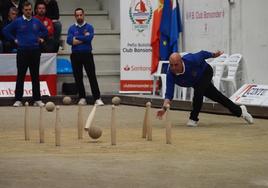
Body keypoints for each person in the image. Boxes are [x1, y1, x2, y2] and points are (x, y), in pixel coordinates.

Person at [156, 51, 254, 127]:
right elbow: (169, 94)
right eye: (171, 65)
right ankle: (240, 111)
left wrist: (213, 54)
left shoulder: (191, 60)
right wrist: (164, 108)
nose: (173, 68)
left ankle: (193, 118)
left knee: (198, 92)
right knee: (217, 97)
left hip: (206, 72)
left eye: (176, 65)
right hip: (195, 81)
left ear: (181, 61)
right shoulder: (170, 74)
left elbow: (202, 54)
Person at [3, 1, 48, 107]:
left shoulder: (36, 21)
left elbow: (46, 31)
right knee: (21, 76)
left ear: (32, 10)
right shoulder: (17, 21)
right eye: (26, 10)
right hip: (22, 51)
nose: (28, 12)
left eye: (30, 10)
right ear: (22, 10)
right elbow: (5, 31)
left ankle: (37, 99)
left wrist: (40, 37)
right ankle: (18, 99)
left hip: (35, 51)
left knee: (35, 75)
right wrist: (14, 39)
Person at [67, 8, 104, 106]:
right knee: (78, 77)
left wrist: (77, 39)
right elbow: (69, 41)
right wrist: (83, 38)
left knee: (92, 76)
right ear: (75, 16)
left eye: (81, 15)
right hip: (75, 55)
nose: (79, 17)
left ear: (84, 15)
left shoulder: (89, 27)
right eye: (77, 15)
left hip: (87, 54)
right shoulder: (71, 28)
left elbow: (89, 38)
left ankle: (97, 98)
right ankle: (82, 98)